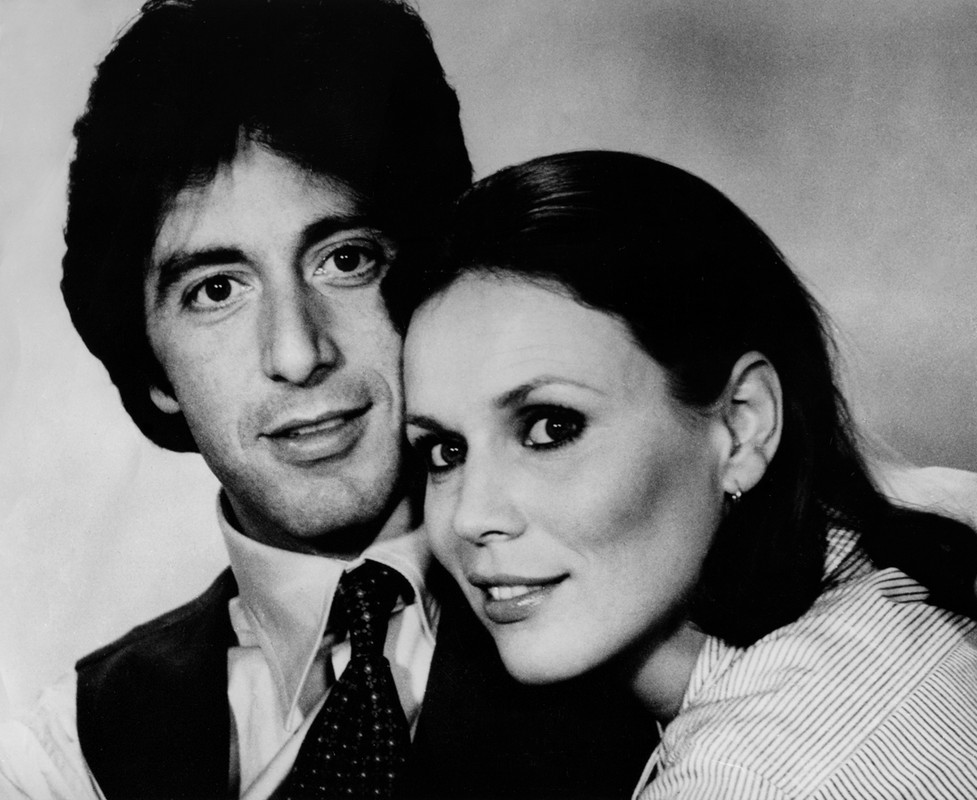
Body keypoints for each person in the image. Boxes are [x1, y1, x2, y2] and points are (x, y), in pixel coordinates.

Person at [0, 4, 658, 798]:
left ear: (436, 280)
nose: (298, 352)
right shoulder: (64, 758)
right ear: (154, 374)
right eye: (216, 290)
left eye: (346, 260)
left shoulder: (663, 634)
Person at [394, 150, 977, 799]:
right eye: (444, 452)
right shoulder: (891, 593)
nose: (472, 516)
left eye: (550, 428)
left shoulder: (745, 777)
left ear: (741, 424)